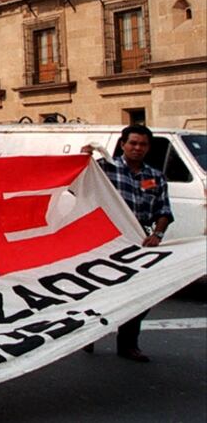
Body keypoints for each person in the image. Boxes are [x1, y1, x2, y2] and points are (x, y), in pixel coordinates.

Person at [82, 125, 173, 362]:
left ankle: (128, 343)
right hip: (105, 240)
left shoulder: (155, 177)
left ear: (148, 148)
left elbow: (164, 210)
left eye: (142, 144)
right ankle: (87, 334)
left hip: (139, 242)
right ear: (123, 145)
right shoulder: (103, 170)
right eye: (132, 143)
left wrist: (158, 235)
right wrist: (82, 159)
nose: (137, 148)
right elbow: (78, 184)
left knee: (142, 293)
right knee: (99, 289)